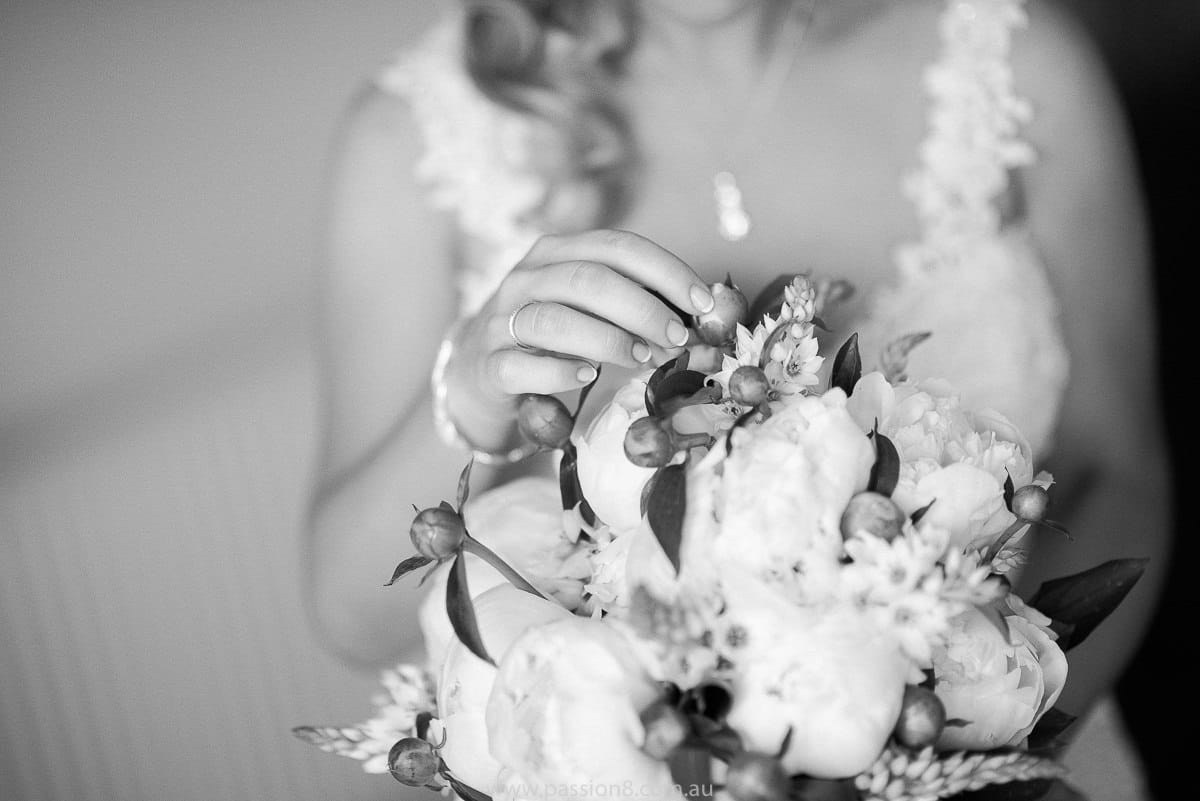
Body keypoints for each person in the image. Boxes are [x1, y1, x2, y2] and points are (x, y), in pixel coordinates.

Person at [304, 0, 1170, 794]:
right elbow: (351, 614)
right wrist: (469, 392)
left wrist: (976, 758)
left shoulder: (1011, 54)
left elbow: (1119, 468)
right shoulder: (412, 138)